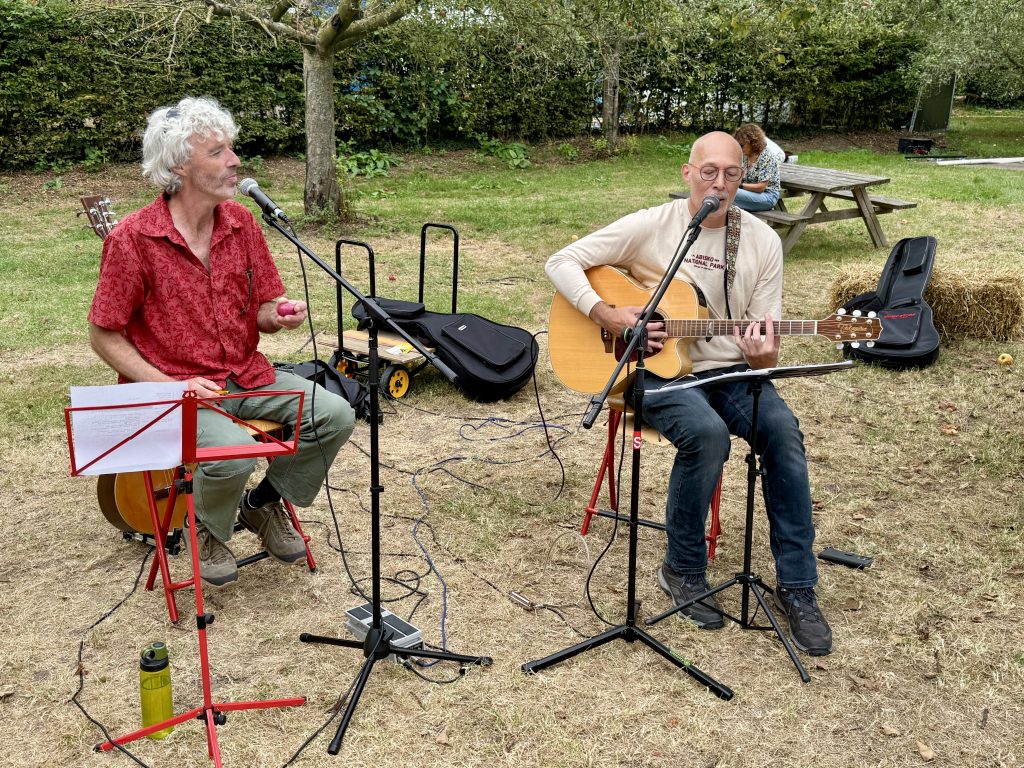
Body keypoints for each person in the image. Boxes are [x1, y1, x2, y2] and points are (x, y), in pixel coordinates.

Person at [545, 132, 832, 656]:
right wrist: (607, 313)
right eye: (709, 172)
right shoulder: (655, 224)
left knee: (784, 433)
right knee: (707, 434)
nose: (719, 184)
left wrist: (764, 356)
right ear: (688, 173)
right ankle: (682, 568)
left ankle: (797, 585)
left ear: (744, 178)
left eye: (731, 174)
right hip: (654, 371)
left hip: (729, 372)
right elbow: (561, 261)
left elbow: (761, 347)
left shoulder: (763, 242)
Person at [89, 96, 356, 587]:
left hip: (244, 373)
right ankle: (207, 530)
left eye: (231, 148)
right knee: (233, 451)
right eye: (217, 152)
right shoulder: (131, 240)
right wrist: (170, 384)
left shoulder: (243, 223)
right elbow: (104, 333)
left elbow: (262, 309)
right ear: (178, 166)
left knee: (336, 414)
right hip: (176, 391)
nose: (234, 161)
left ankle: (262, 505)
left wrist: (278, 315)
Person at [731, 123, 782, 213]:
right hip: (752, 194)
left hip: (768, 196)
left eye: (742, 145)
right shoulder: (746, 156)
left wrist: (739, 185)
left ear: (753, 142)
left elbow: (761, 187)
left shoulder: (766, 156)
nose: (739, 148)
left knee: (729, 193)